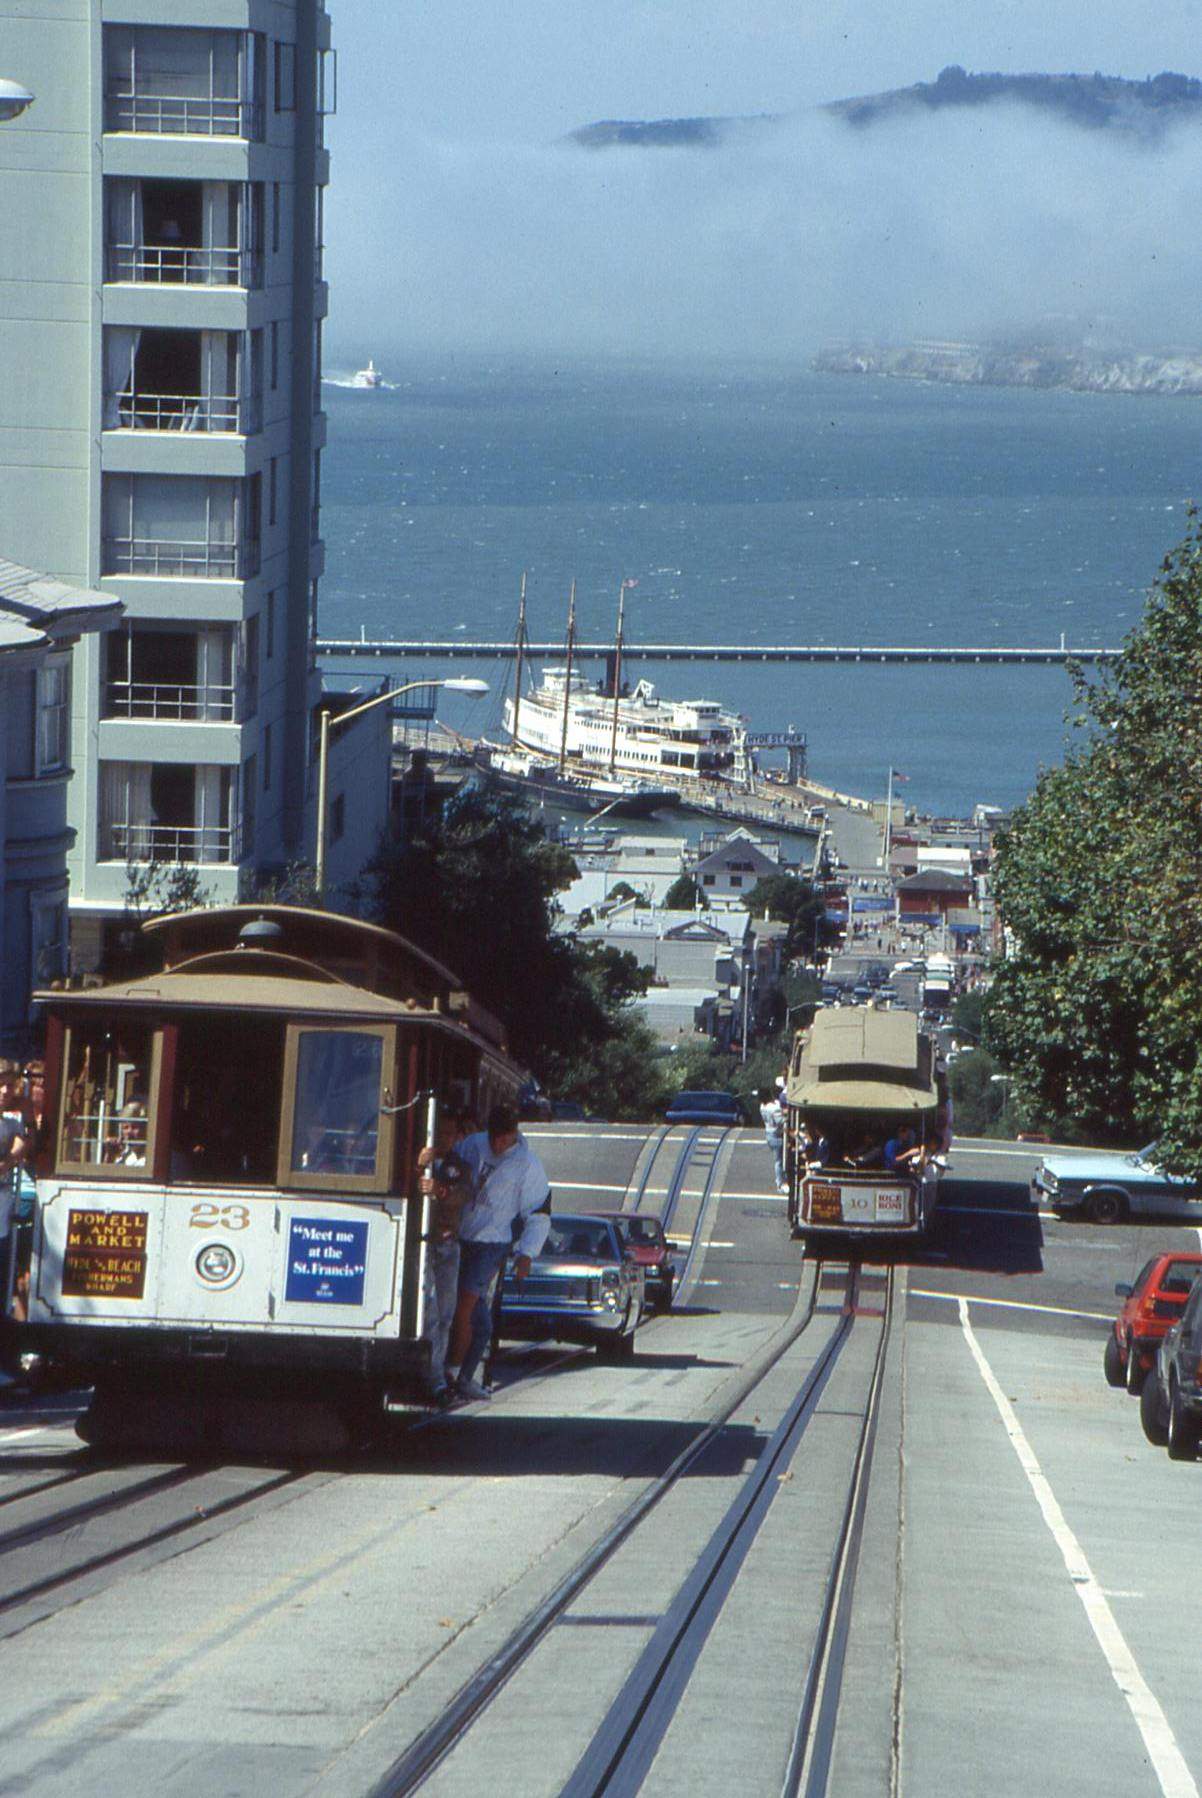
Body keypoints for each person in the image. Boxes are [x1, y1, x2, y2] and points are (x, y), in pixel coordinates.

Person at [446, 1102, 551, 1403]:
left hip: (492, 1242)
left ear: (514, 1134)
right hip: (461, 1235)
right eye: (493, 1136)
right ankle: (466, 1377)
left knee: (465, 1303)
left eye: (503, 1138)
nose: (497, 1143)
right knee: (476, 1316)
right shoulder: (473, 1145)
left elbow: (539, 1212)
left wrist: (527, 1254)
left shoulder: (527, 1164)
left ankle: (452, 1373)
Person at [417, 1108, 473, 1407]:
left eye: (450, 1134)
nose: (445, 1139)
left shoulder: (459, 1167)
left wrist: (439, 1189)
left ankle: (437, 1375)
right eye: (440, 1133)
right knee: (428, 1313)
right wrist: (418, 1166)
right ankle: (430, 1377)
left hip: (447, 1245)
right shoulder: (420, 1161)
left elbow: (462, 1196)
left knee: (445, 1313)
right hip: (423, 1245)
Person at [759, 1085, 786, 1193]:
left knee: (777, 1160)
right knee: (779, 1161)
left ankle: (780, 1180)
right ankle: (780, 1183)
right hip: (776, 1135)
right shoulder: (773, 1108)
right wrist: (786, 1116)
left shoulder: (762, 1107)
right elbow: (780, 1121)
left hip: (768, 1134)